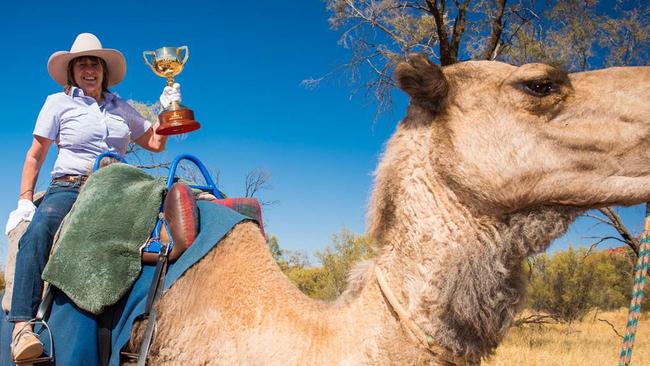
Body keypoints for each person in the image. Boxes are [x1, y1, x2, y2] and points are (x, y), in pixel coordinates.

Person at [4, 33, 182, 363]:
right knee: (37, 233)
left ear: (103, 71)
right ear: (72, 72)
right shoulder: (57, 103)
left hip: (120, 187)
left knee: (173, 223)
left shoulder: (121, 108)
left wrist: (167, 107)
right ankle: (22, 328)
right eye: (82, 63)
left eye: (94, 63)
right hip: (71, 187)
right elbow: (35, 155)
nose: (89, 68)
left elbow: (155, 144)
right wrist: (25, 200)